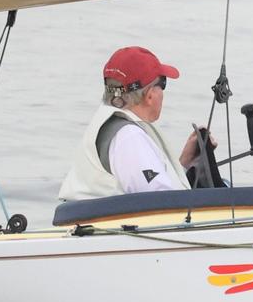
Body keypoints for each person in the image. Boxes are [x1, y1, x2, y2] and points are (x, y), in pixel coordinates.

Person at [56, 46, 207, 201]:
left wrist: (183, 164)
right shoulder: (129, 137)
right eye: (163, 84)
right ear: (149, 95)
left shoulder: (107, 123)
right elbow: (162, 202)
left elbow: (143, 182)